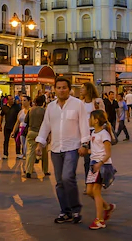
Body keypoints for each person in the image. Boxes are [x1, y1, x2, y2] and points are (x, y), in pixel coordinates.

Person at [35, 76, 89, 225]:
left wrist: (85, 143)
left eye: (64, 87)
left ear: (69, 89)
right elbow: (46, 125)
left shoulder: (78, 104)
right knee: (59, 182)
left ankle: (76, 209)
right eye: (58, 88)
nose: (61, 90)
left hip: (72, 147)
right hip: (56, 148)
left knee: (67, 177)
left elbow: (84, 123)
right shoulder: (51, 107)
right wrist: (40, 143)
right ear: (55, 89)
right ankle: (65, 211)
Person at [85, 110, 116, 231]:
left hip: (102, 165)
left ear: (96, 120)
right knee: (89, 191)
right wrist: (85, 152)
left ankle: (99, 220)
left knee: (96, 191)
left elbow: (108, 153)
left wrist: (100, 163)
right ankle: (107, 207)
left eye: (91, 118)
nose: (89, 120)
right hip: (94, 164)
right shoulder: (93, 132)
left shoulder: (104, 134)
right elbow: (95, 150)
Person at [24, 94, 49, 178]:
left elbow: (25, 121)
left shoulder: (30, 110)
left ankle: (28, 171)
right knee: (44, 152)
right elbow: (47, 123)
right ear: (43, 102)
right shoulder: (44, 111)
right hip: (41, 134)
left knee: (30, 152)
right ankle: (45, 170)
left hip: (31, 132)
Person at [2, 95, 21, 161]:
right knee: (6, 140)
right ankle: (5, 154)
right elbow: (1, 116)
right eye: (10, 99)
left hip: (15, 126)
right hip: (7, 126)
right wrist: (0, 125)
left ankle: (18, 153)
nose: (12, 100)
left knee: (17, 140)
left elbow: (19, 115)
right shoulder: (4, 107)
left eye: (12, 99)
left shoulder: (17, 107)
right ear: (7, 100)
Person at [14, 96, 30, 162]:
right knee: (23, 144)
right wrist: (14, 131)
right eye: (22, 100)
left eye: (24, 100)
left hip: (28, 129)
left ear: (29, 101)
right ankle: (25, 155)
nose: (23, 102)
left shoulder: (31, 111)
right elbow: (17, 122)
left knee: (27, 145)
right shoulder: (21, 112)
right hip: (21, 129)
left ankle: (27, 156)